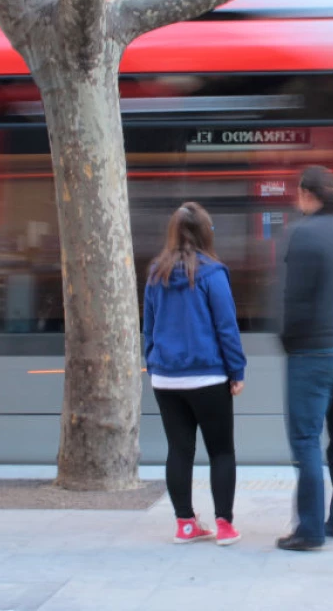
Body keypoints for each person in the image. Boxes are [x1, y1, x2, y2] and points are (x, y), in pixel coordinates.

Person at [144, 202, 246, 546]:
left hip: (165, 378)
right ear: (206, 233)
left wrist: (153, 361)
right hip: (207, 377)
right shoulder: (213, 274)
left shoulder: (156, 273)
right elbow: (226, 327)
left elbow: (149, 326)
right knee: (221, 451)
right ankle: (225, 526)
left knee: (179, 450)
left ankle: (185, 524)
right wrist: (237, 370)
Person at [277, 166, 333, 551]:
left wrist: (289, 341)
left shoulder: (300, 234)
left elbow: (293, 299)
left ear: (305, 193)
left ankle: (309, 529)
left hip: (313, 352)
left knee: (306, 440)